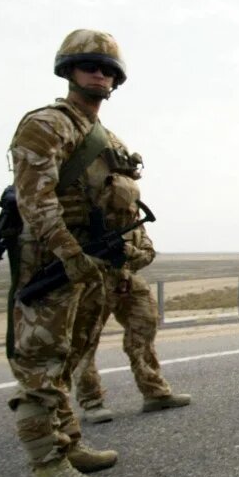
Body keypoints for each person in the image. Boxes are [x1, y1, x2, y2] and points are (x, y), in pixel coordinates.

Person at [7, 28, 136, 477]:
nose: (99, 74)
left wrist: (126, 258)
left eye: (107, 68)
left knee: (72, 357)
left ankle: (70, 444)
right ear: (68, 70)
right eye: (89, 65)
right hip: (55, 266)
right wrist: (69, 255)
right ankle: (46, 467)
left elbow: (120, 204)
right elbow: (35, 201)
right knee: (41, 368)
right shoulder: (47, 124)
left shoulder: (108, 139)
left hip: (93, 265)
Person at [72, 174, 190, 424]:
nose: (124, 212)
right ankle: (92, 401)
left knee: (144, 328)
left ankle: (154, 392)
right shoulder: (86, 222)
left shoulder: (134, 222)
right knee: (85, 342)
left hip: (126, 278)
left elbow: (148, 254)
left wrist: (126, 251)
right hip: (95, 281)